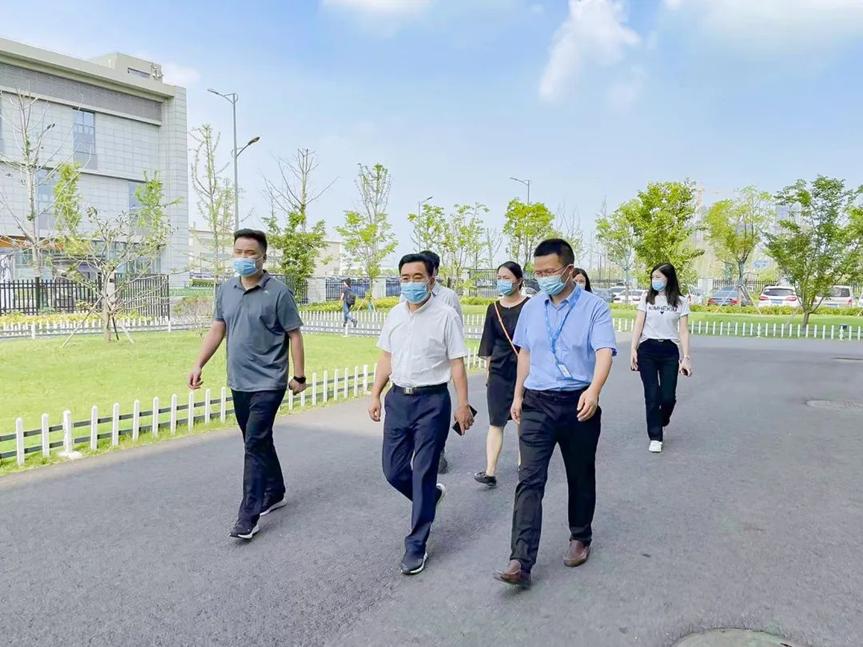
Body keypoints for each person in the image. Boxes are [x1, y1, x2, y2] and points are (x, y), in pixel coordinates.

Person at [494, 239, 617, 588]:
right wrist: (518, 395)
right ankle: (520, 560)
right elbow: (525, 353)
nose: (543, 277)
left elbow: (604, 351)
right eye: (538, 272)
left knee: (580, 474)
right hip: (537, 403)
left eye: (549, 271)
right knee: (529, 479)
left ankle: (580, 535)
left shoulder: (594, 307)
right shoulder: (533, 308)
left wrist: (594, 390)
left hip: (579, 402)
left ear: (569, 270)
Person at [188, 229, 307, 541]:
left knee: (254, 442)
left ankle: (248, 516)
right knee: (257, 440)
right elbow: (218, 328)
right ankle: (275, 490)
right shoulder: (226, 290)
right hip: (239, 380)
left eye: (250, 253)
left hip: (269, 381)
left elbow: (294, 334)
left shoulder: (278, 293)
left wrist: (299, 376)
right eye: (238, 252)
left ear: (263, 257)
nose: (243, 257)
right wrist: (199, 363)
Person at [369, 253, 475, 575]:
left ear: (431, 279)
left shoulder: (445, 315)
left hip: (432, 402)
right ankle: (430, 496)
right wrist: (375, 394)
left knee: (424, 471)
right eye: (405, 278)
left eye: (418, 277)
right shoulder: (394, 314)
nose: (411, 283)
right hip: (398, 399)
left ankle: (416, 545)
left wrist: (462, 404)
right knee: (393, 470)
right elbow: (386, 357)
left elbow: (457, 363)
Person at [474, 261, 529, 487]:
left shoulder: (530, 306)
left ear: (519, 280)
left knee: (522, 420)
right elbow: (488, 342)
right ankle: (490, 471)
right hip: (499, 371)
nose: (502, 282)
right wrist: (488, 371)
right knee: (496, 421)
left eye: (507, 277)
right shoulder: (493, 308)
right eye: (499, 278)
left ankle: (524, 466)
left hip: (525, 370)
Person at [630, 263, 693, 454]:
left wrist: (686, 357)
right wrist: (633, 349)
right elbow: (639, 323)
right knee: (651, 395)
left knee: (668, 397)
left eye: (658, 277)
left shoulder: (680, 301)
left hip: (669, 351)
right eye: (653, 277)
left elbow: (683, 331)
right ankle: (655, 437)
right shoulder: (646, 298)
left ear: (668, 278)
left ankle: (662, 419)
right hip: (647, 349)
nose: (654, 281)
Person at [417, 249, 463, 474]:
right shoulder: (407, 295)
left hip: (439, 361)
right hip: (417, 359)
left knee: (435, 410)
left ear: (434, 271)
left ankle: (438, 451)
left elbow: (457, 328)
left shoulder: (448, 296)